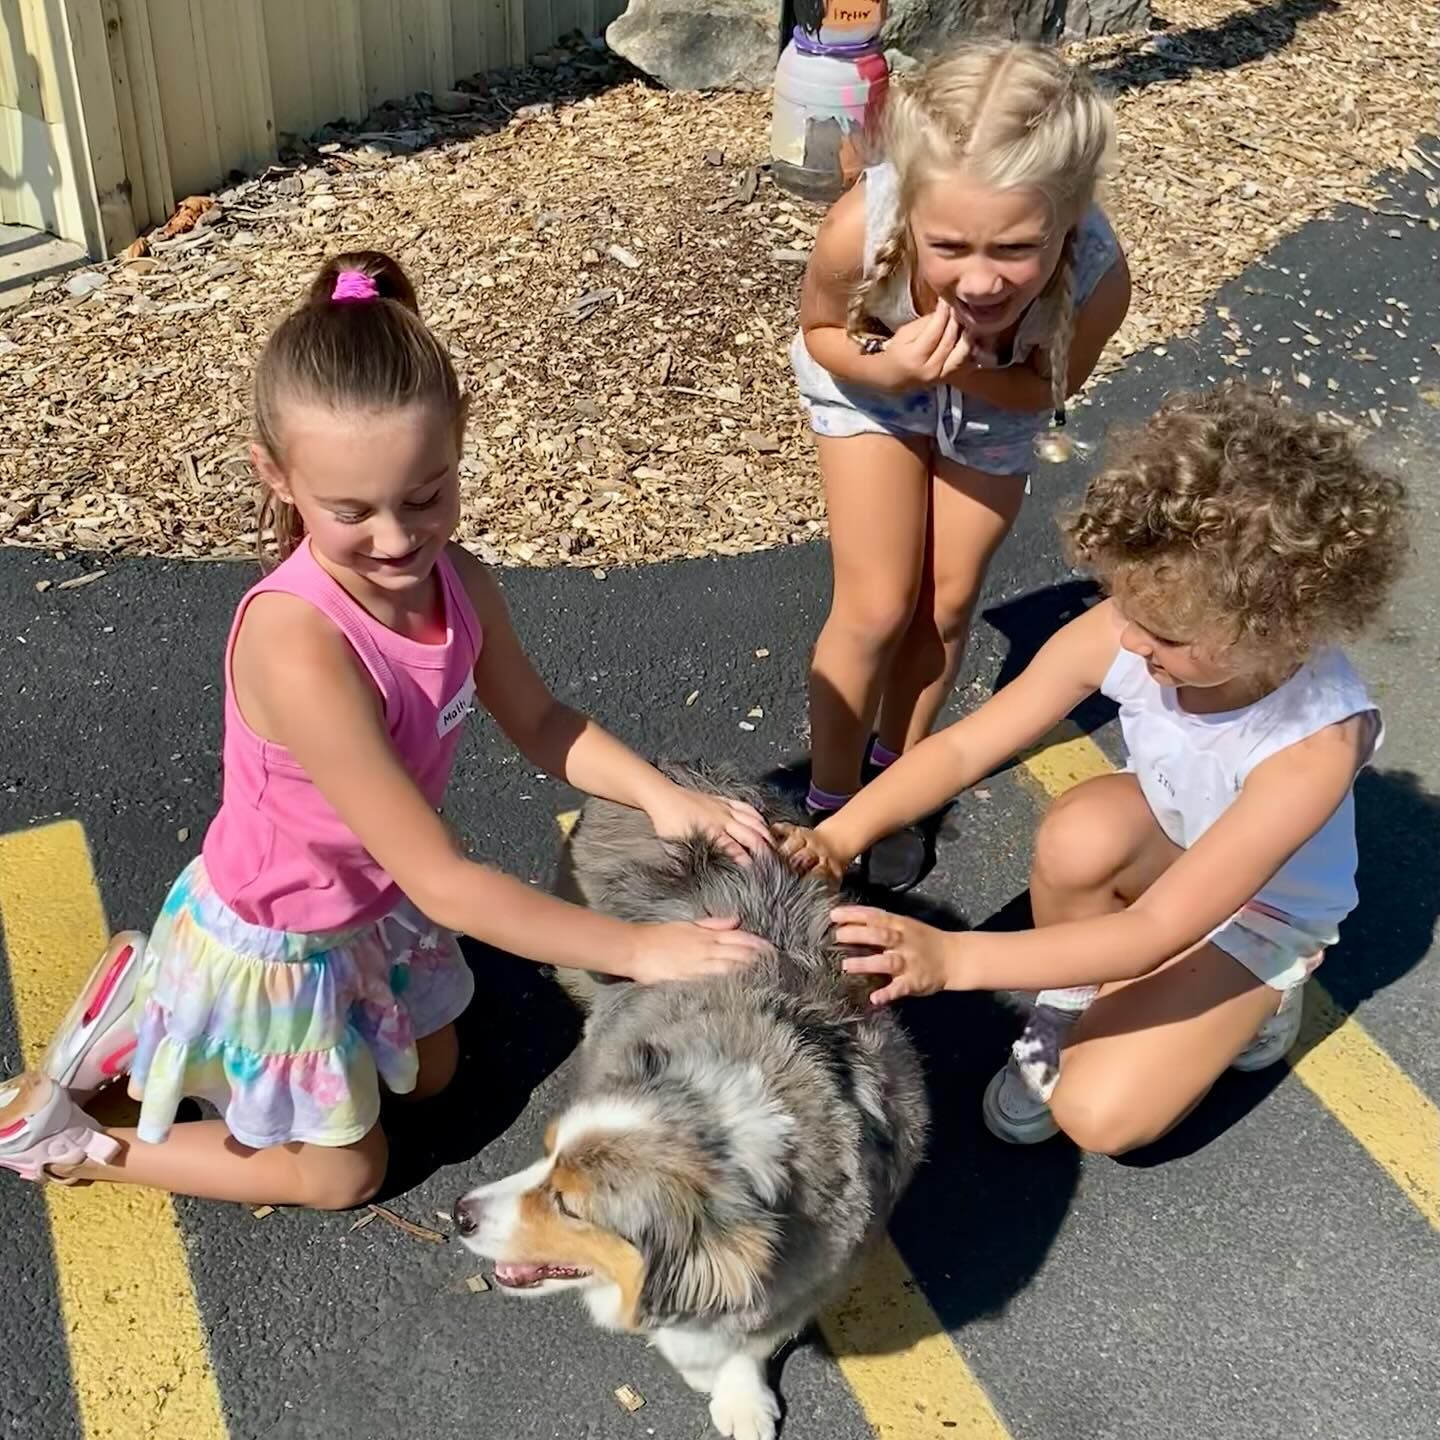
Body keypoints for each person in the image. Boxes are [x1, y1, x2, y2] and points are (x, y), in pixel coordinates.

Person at [0, 252, 772, 1205]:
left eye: (425, 496)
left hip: (372, 904)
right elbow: (446, 883)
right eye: (351, 512)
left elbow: (539, 719)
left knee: (438, 1072)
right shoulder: (300, 647)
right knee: (346, 1174)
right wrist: (639, 950)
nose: (400, 539)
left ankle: (145, 1020)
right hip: (278, 938)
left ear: (458, 450)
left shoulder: (461, 582)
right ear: (276, 477)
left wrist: (663, 797)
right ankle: (76, 1136)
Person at [781, 386, 1405, 1151]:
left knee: (1100, 1116)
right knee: (1081, 831)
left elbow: (1153, 929)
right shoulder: (1144, 622)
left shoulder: (1313, 746)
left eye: (1165, 635)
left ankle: (1268, 995)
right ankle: (1069, 996)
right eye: (1122, 605)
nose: (1133, 642)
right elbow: (966, 746)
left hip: (1262, 912)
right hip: (1181, 840)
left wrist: (953, 957)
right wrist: (841, 835)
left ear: (1281, 632)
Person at [790, 40, 1131, 889]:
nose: (979, 282)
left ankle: (899, 782)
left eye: (1016, 249)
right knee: (875, 606)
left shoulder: (1096, 279)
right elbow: (823, 336)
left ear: (1070, 216)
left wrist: (969, 368)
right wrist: (896, 368)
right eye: (949, 246)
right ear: (911, 208)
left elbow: (1041, 391)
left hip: (997, 396)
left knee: (942, 610)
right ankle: (831, 803)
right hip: (873, 380)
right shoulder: (857, 232)